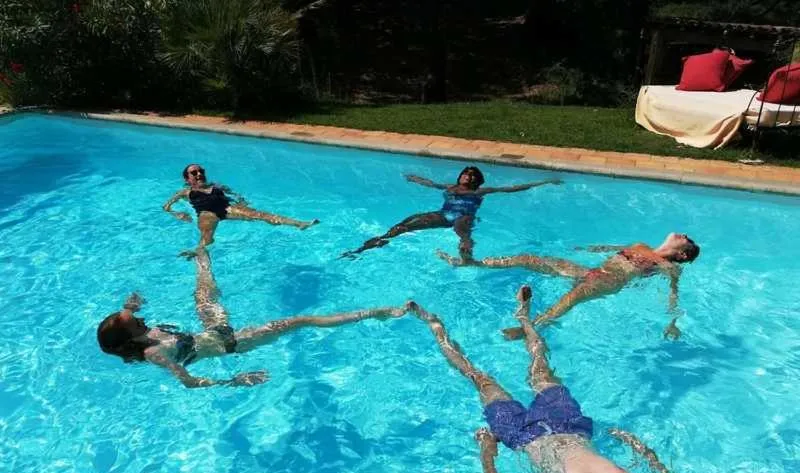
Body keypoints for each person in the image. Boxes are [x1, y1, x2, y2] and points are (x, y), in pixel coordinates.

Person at [407, 286, 686, 473]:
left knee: (479, 379)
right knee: (540, 366)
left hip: (521, 435)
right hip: (568, 423)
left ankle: (433, 324)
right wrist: (634, 443)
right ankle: (524, 319)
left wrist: (488, 457)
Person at [97, 247, 409, 388]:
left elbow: (129, 316)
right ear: (131, 338)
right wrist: (233, 380)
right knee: (299, 321)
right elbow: (189, 383)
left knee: (202, 293)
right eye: (135, 321)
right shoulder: (154, 354)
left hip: (209, 332)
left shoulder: (138, 333)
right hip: (229, 343)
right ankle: (373, 314)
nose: (141, 318)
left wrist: (130, 305)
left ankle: (201, 253)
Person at [438, 233, 700, 339]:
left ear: (683, 254)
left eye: (686, 239)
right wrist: (592, 248)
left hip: (609, 281)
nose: (681, 234)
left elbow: (673, 293)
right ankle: (472, 263)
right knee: (529, 259)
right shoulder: (641, 245)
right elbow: (613, 248)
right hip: (593, 271)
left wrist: (672, 322)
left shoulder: (668, 267)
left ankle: (528, 329)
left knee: (569, 299)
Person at [341, 166, 562, 260]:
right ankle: (372, 244)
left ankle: (467, 256)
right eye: (464, 173)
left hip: (463, 215)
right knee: (405, 226)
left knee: (463, 233)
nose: (465, 176)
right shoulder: (449, 187)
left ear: (475, 179)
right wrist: (415, 179)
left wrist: (544, 181)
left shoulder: (480, 191)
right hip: (442, 214)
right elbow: (432, 183)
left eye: (469, 174)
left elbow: (512, 188)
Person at [163, 164, 319, 254]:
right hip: (206, 214)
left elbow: (236, 195)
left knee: (261, 215)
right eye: (194, 173)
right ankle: (198, 255)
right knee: (207, 240)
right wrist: (178, 214)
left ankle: (300, 224)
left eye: (201, 171)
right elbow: (166, 206)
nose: (199, 174)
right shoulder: (185, 192)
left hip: (227, 208)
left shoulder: (217, 186)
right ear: (187, 178)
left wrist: (243, 203)